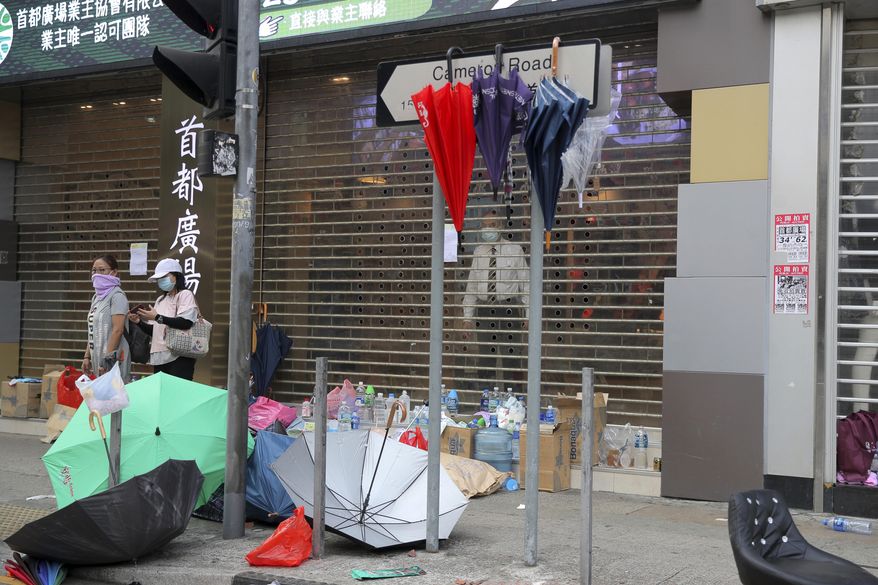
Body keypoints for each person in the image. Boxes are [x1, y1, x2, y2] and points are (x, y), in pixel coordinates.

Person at [460, 210, 529, 385]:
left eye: (492, 225)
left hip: (508, 309)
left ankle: (514, 402)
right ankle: (487, 400)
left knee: (511, 358)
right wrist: (467, 317)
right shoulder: (479, 252)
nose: (487, 229)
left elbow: (526, 284)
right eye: (484, 225)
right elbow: (472, 286)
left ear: (500, 227)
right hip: (484, 310)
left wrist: (528, 315)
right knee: (485, 358)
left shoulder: (515, 250)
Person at [128, 258, 199, 381]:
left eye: (165, 276)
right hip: (159, 356)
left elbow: (186, 322)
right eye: (159, 279)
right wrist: (139, 322)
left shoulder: (184, 294)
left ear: (176, 276)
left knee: (178, 394)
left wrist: (157, 317)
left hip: (179, 355)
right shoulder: (160, 299)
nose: (161, 281)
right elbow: (155, 331)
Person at [83, 254, 131, 382]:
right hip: (97, 358)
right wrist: (87, 356)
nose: (97, 274)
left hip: (112, 361)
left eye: (102, 270)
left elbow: (118, 330)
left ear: (114, 272)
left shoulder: (117, 296)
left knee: (115, 398)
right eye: (94, 270)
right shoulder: (96, 298)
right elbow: (93, 328)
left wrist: (107, 361)